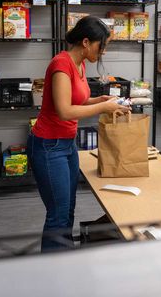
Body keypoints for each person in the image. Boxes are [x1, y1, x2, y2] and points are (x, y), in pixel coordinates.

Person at [28, 16, 130, 252]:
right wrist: (104, 108)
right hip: (48, 145)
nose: (102, 51)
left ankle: (63, 259)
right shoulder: (61, 64)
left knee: (68, 208)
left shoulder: (80, 64)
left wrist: (99, 99)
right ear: (86, 42)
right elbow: (65, 110)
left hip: (66, 145)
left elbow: (79, 100)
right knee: (58, 214)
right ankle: (54, 272)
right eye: (100, 46)